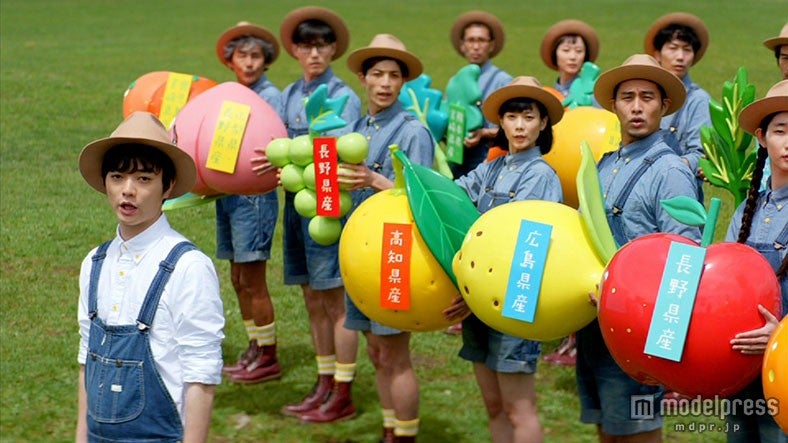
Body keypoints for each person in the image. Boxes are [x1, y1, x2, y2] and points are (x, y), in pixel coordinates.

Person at [75, 112, 225, 442]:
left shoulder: (188, 266)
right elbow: (87, 358)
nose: (128, 191)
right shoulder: (95, 262)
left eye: (144, 179)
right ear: (105, 183)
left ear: (168, 186)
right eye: (117, 177)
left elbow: (201, 372)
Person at [580, 54, 702, 442]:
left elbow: (685, 258)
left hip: (638, 327)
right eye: (627, 96)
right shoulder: (603, 165)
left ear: (664, 106)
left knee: (638, 430)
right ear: (613, 105)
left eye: (647, 97)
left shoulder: (670, 171)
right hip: (595, 320)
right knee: (607, 429)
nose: (636, 106)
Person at [449, 76, 565, 443]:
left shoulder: (541, 175)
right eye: (511, 117)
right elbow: (448, 197)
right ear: (500, 122)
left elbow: (518, 244)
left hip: (516, 300)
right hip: (480, 299)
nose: (519, 126)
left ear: (543, 123)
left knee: (519, 408)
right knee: (494, 405)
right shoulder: (492, 168)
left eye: (528, 117)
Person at [335, 34, 435, 443]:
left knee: (394, 353)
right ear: (362, 77)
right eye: (377, 73)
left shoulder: (412, 131)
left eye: (394, 75)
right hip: (360, 253)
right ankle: (390, 428)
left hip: (394, 254)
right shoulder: (359, 126)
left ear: (404, 82)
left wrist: (376, 180)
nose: (385, 83)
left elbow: (424, 200)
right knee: (376, 352)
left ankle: (405, 435)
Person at [272, 6, 362, 423]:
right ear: (294, 50)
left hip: (328, 205)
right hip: (294, 205)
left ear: (333, 50)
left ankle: (343, 389)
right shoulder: (290, 94)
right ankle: (324, 380)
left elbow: (338, 156)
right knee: (311, 297)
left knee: (334, 297)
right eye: (307, 46)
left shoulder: (343, 95)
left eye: (323, 46)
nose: (314, 54)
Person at [214, 21, 283, 384]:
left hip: (254, 199)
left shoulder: (271, 97)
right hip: (227, 196)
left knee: (254, 279)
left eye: (256, 56)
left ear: (266, 60)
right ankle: (254, 345)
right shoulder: (228, 94)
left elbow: (277, 144)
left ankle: (268, 355)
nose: (250, 62)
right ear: (231, 60)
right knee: (238, 276)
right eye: (243, 55)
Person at [725, 79, 788, 443]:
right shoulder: (749, 210)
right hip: (740, 366)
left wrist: (779, 335)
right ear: (762, 138)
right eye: (781, 131)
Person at [538, 19, 600, 365]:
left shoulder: (595, 95)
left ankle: (578, 337)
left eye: (578, 49)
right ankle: (562, 330)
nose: (573, 55)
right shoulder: (547, 97)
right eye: (566, 49)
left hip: (585, 189)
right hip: (553, 183)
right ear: (554, 55)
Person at [644, 12, 712, 195]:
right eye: (673, 48)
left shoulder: (698, 100)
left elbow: (701, 154)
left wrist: (670, 169)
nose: (680, 57)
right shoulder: (642, 95)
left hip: (678, 193)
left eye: (687, 50)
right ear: (657, 54)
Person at [448, 10, 513, 179]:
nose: (476, 46)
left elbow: (514, 125)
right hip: (458, 157)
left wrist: (483, 133)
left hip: (489, 156)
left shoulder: (503, 81)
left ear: (491, 45)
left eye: (481, 40)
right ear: (463, 45)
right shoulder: (455, 81)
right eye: (471, 40)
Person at [539, 19, 600, 100]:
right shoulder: (549, 95)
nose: (573, 57)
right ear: (555, 53)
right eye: (566, 50)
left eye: (579, 51)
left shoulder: (590, 94)